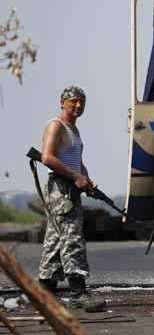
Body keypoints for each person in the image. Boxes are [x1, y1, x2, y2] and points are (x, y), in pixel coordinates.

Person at [37, 86, 92, 304]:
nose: (78, 106)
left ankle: (44, 292)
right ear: (62, 102)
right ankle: (79, 292)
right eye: (73, 101)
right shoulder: (55, 126)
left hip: (71, 187)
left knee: (56, 240)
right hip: (61, 188)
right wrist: (75, 177)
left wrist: (86, 179)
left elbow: (76, 160)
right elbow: (47, 158)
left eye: (82, 102)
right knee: (72, 238)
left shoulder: (74, 130)